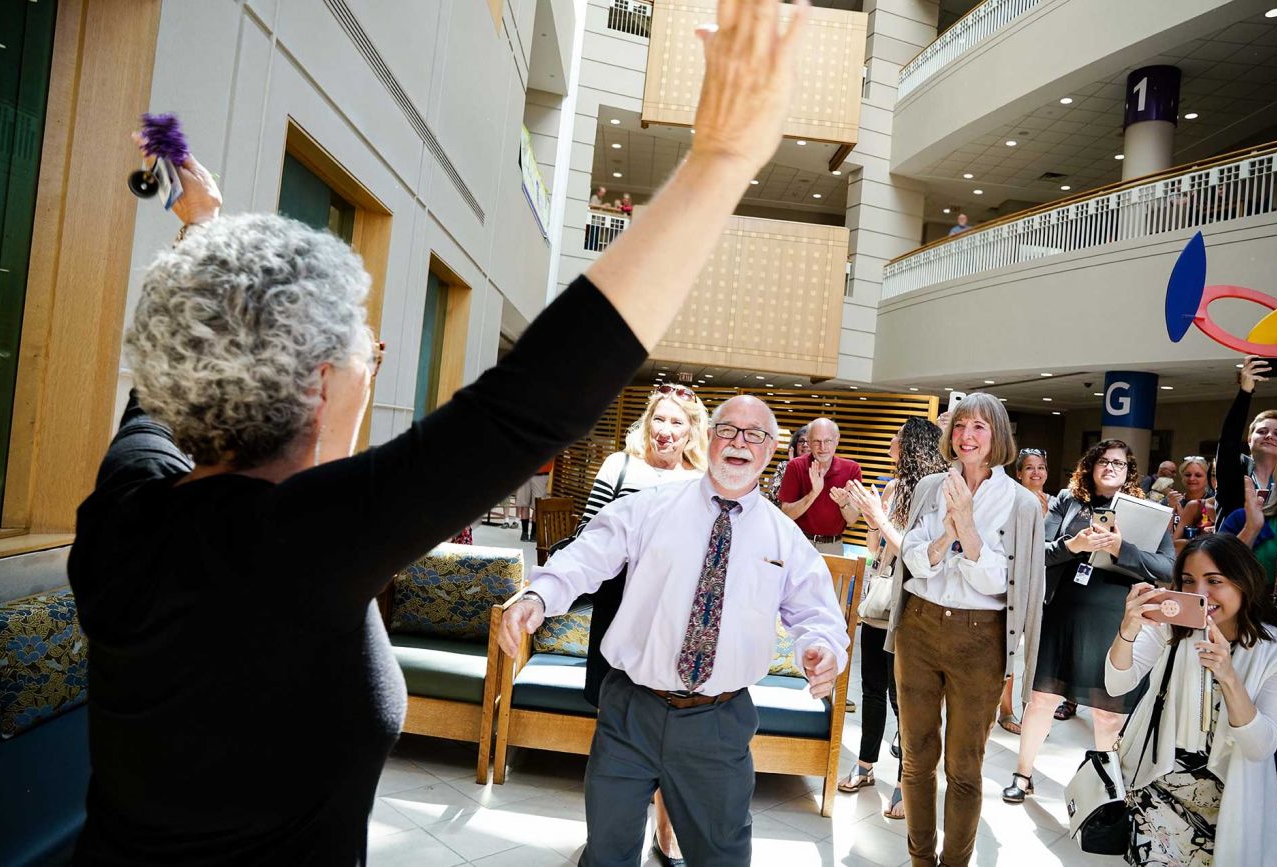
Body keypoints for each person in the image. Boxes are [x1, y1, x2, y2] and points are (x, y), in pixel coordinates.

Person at [67, 0, 806, 860]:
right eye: (363, 348)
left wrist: (199, 229)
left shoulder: (127, 506)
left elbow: (162, 382)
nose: (374, 357)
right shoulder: (303, 542)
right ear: (317, 385)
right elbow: (532, 402)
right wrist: (721, 158)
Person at [498, 395, 848, 865]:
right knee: (607, 854)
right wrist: (539, 597)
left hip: (719, 725)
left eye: (755, 434)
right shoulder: (648, 508)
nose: (739, 442)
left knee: (720, 856)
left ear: (769, 452)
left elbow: (818, 614)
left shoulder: (784, 538)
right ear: (709, 439)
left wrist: (823, 649)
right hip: (629, 712)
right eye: (728, 429)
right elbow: (587, 555)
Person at [885, 393, 1046, 867]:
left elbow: (1006, 583)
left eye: (979, 427)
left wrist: (969, 529)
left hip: (980, 638)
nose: (966, 437)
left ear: (997, 436)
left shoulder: (1021, 504)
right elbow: (913, 562)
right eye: (959, 427)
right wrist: (948, 536)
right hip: (918, 627)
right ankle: (920, 859)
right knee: (915, 757)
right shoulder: (930, 486)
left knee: (964, 767)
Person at [577, 383, 708, 867]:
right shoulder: (620, 466)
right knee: (614, 731)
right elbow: (592, 539)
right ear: (646, 422)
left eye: (678, 422)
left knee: (668, 734)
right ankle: (609, 838)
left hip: (674, 617)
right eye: (660, 419)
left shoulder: (701, 479)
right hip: (618, 609)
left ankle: (667, 838)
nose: (666, 430)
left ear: (692, 431)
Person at [1003, 439, 1175, 805]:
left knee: (1107, 713)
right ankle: (1023, 774)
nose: (1111, 467)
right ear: (1090, 466)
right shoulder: (1068, 501)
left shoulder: (1147, 511)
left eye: (1120, 463)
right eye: (1104, 461)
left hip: (1116, 622)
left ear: (1129, 471)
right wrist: (1072, 546)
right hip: (1063, 613)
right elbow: (1036, 552)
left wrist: (1119, 548)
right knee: (1040, 700)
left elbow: (1167, 567)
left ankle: (1109, 791)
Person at [1110, 534, 1277, 866]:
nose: (1200, 594)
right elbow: (1116, 682)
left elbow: (1260, 747)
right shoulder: (1170, 629)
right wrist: (1128, 628)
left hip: (1230, 802)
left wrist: (1228, 675)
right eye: (1189, 581)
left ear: (1243, 582)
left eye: (1214, 581)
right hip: (1156, 786)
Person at [836, 418, 947, 821]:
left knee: (906, 699)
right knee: (871, 688)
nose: (890, 440)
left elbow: (916, 553)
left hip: (912, 603)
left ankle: (905, 781)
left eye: (898, 436)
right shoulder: (893, 487)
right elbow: (879, 546)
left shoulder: (933, 493)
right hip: (881, 598)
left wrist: (880, 520)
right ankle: (866, 766)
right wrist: (870, 517)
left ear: (913, 444)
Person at [1222, 437, 1277, 861]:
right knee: (1269, 780)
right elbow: (1212, 574)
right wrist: (1249, 528)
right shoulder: (1248, 520)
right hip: (1257, 663)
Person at [998, 447, 1053, 734]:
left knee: (1029, 651)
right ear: (1018, 473)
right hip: (1011, 581)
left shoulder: (1054, 504)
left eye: (1041, 467)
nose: (1036, 473)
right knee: (1008, 648)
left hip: (1041, 583)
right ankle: (1005, 708)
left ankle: (1029, 707)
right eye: (1029, 468)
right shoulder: (1009, 500)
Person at [1217, 356, 1277, 523]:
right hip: (1232, 546)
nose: (1269, 436)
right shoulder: (1236, 471)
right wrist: (1245, 392)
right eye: (1262, 431)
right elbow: (1228, 440)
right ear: (1250, 439)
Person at [779, 417, 864, 554]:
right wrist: (813, 493)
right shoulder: (795, 466)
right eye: (817, 441)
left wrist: (844, 503)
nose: (822, 448)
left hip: (833, 545)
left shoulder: (852, 469)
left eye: (827, 441)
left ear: (837, 440)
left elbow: (852, 519)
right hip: (799, 543)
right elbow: (786, 514)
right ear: (810, 442)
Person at [1172, 456, 1216, 547]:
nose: (1192, 479)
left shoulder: (1214, 504)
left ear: (1207, 479)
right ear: (1182, 477)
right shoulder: (1172, 501)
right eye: (1188, 475)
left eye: (1198, 475)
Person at [765, 424, 809, 505]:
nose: (805, 445)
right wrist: (792, 468)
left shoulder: (819, 468)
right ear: (795, 446)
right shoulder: (784, 466)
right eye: (801, 441)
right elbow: (774, 496)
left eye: (809, 441)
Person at [514, 459, 554, 542]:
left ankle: (534, 532)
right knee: (524, 503)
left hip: (542, 473)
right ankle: (524, 532)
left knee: (538, 505)